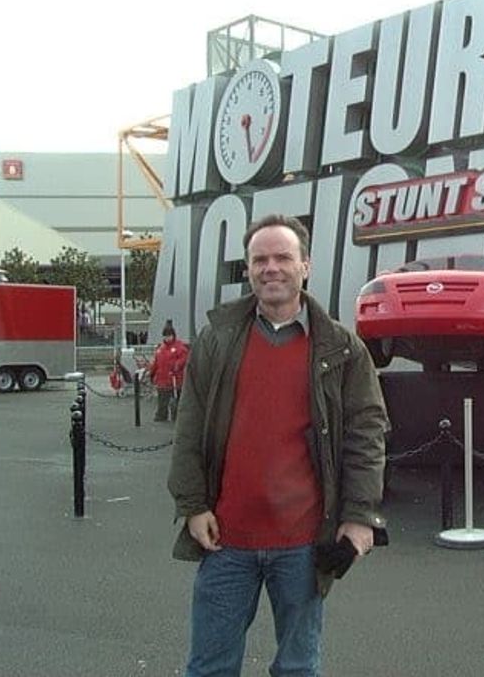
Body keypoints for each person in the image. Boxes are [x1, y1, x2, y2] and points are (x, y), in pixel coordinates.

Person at [167, 213, 388, 677]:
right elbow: (189, 427)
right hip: (225, 540)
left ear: (305, 265)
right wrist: (191, 505)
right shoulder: (217, 340)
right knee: (209, 668)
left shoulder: (342, 348)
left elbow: (366, 436)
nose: (271, 268)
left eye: (283, 258)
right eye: (259, 259)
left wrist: (359, 517)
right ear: (248, 269)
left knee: (297, 668)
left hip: (304, 543)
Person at [149, 321, 190, 422]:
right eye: (165, 336)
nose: (167, 338)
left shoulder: (179, 347)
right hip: (162, 379)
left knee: (176, 398)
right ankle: (161, 415)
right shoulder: (160, 349)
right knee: (162, 399)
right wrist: (151, 373)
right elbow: (156, 362)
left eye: (169, 336)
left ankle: (176, 416)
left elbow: (184, 358)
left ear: (173, 335)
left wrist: (177, 366)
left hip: (174, 378)